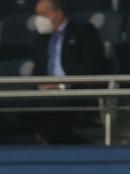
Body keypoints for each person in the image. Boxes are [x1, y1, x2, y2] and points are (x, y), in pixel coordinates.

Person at [30, 0, 104, 144]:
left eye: (43, 14)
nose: (38, 19)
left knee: (49, 108)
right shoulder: (40, 39)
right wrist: (39, 86)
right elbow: (37, 71)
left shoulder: (83, 31)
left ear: (58, 14)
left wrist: (63, 86)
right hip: (44, 92)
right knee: (11, 102)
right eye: (37, 14)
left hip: (75, 89)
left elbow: (92, 66)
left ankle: (72, 146)